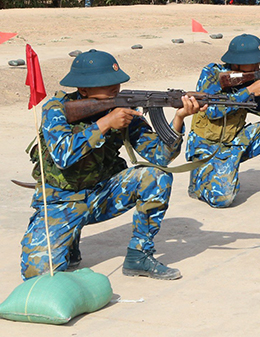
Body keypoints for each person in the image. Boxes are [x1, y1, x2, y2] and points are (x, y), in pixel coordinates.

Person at [20, 50, 200, 280]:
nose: (115, 88)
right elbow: (63, 155)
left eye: (117, 82)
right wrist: (105, 123)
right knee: (37, 274)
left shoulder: (123, 109)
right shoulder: (57, 109)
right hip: (60, 201)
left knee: (156, 176)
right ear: (83, 89)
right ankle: (69, 241)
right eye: (106, 84)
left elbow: (161, 157)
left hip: (101, 195)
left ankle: (140, 255)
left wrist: (179, 118)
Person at [186, 34, 260, 205]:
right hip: (208, 147)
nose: (258, 65)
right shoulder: (212, 74)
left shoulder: (254, 79)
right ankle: (199, 180)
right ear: (237, 62)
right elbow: (213, 112)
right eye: (254, 61)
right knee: (223, 200)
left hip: (235, 141)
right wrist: (248, 91)